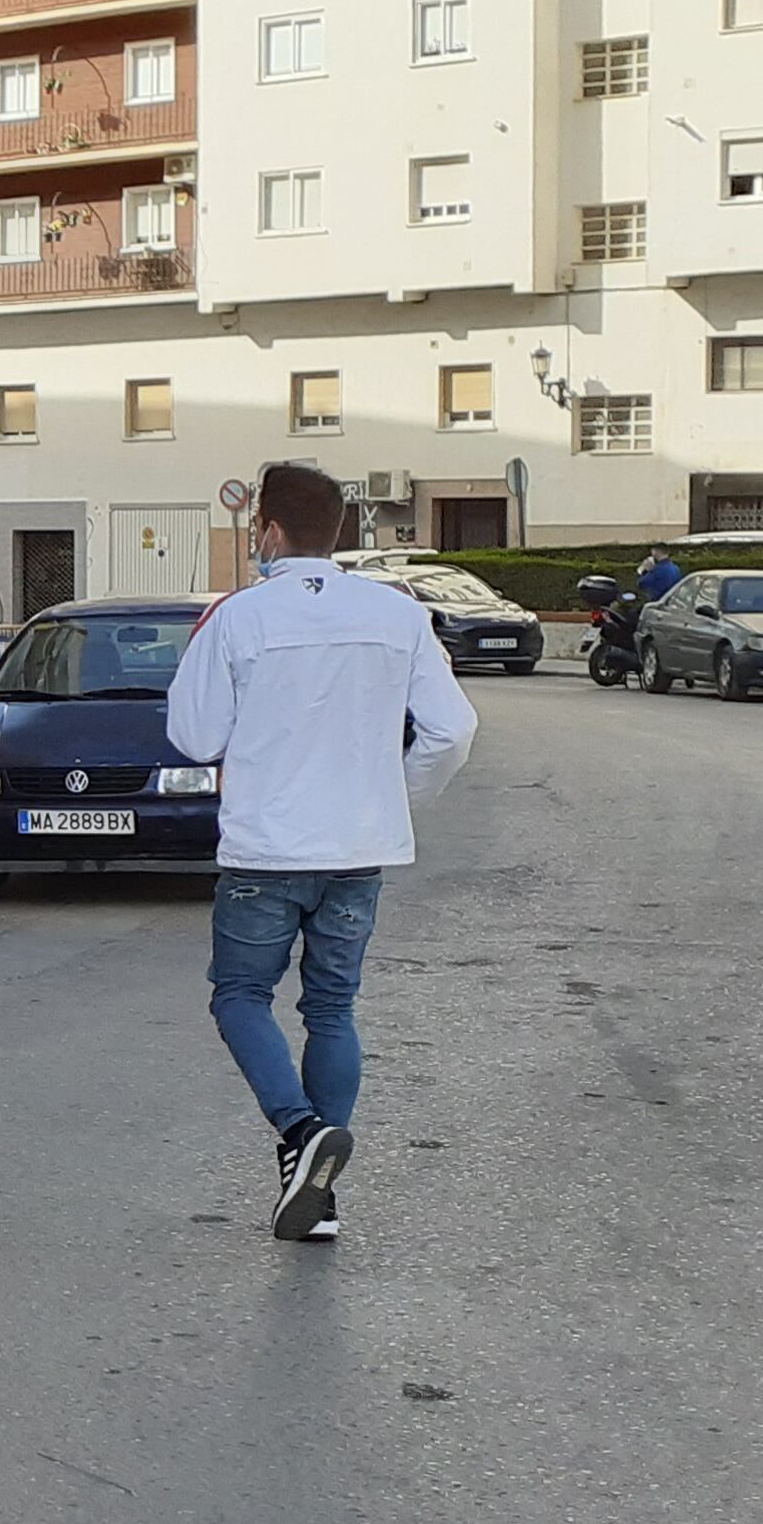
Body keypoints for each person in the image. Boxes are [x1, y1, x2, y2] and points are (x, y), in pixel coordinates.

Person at [165, 464, 478, 1243]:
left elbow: (194, 737)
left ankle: (301, 1132)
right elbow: (452, 730)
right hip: (358, 848)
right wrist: (395, 796)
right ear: (339, 531)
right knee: (332, 1008)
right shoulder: (397, 614)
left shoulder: (237, 617)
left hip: (265, 850)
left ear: (269, 531)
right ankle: (319, 1197)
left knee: (240, 996)